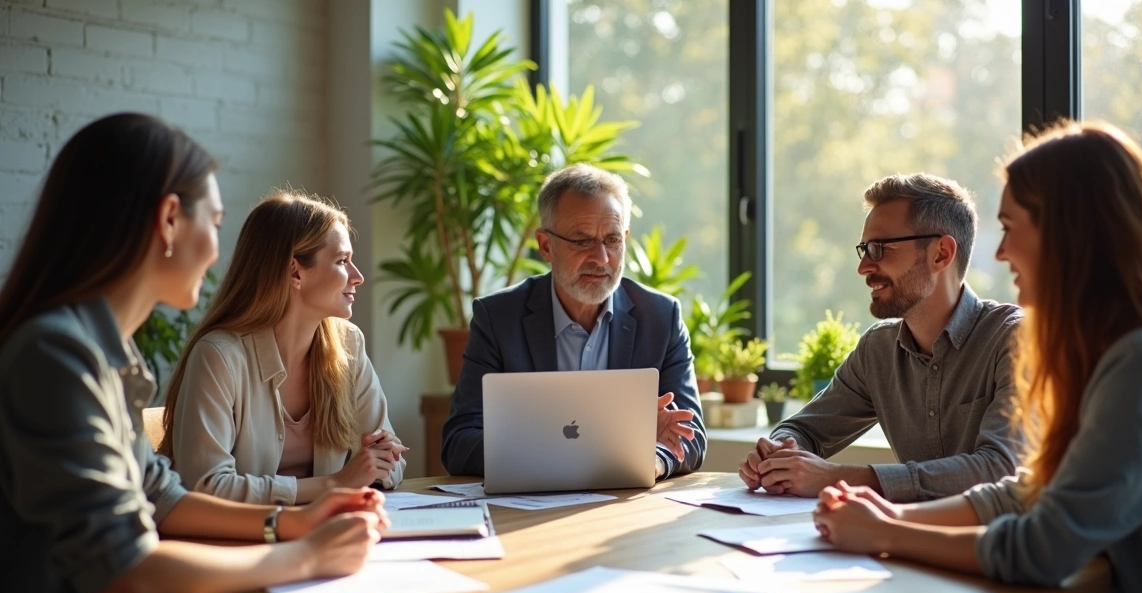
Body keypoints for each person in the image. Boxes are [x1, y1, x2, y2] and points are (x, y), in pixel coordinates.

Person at [812, 121, 1142, 593]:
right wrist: (888, 512)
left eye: (1010, 226)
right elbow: (1026, 494)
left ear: (1071, 231)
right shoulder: (1119, 353)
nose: (1000, 254)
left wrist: (886, 532)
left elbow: (1042, 549)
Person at [0, 113, 386, 593]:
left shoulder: (99, 352)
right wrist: (305, 557)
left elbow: (165, 498)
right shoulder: (56, 354)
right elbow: (124, 575)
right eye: (218, 223)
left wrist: (296, 520)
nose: (218, 252)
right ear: (169, 220)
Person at [739, 173, 1022, 502]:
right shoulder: (878, 351)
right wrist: (781, 452)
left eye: (879, 249)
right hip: (905, 540)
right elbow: (804, 430)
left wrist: (836, 478)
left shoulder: (1014, 340)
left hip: (998, 549)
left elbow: (1000, 469)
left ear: (941, 254)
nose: (863, 267)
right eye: (864, 250)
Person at [441, 163, 706, 480]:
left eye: (612, 240)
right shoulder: (498, 318)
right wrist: (577, 450)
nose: (602, 258)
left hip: (623, 510)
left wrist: (655, 460)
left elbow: (691, 436)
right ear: (546, 246)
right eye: (582, 241)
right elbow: (459, 443)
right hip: (528, 516)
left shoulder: (661, 317)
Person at [163, 191, 408, 505]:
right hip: (240, 545)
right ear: (295, 272)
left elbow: (391, 460)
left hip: (326, 534)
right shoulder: (220, 356)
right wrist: (333, 484)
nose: (357, 277)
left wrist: (382, 462)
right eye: (342, 261)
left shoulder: (349, 345)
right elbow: (205, 486)